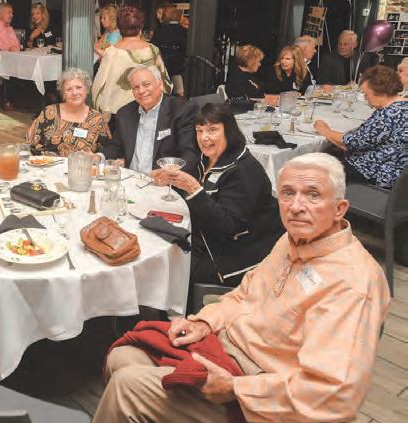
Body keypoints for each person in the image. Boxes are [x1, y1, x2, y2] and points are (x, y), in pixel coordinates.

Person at [94, 152, 391, 423]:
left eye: (313, 195)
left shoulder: (351, 282)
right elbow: (244, 294)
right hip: (227, 350)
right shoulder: (291, 240)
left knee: (127, 387)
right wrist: (204, 322)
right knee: (124, 357)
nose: (296, 207)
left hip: (263, 393)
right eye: (288, 193)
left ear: (339, 209)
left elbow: (335, 396)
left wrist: (237, 388)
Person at [151, 103, 283, 286]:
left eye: (212, 130)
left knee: (169, 266)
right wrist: (171, 181)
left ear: (229, 130)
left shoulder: (243, 169)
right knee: (157, 240)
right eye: (199, 130)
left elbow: (227, 226)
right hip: (206, 237)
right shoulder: (204, 160)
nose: (204, 137)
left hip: (238, 252)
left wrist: (193, 188)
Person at [314, 65, 407, 189]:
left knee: (313, 164)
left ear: (379, 91)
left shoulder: (389, 114)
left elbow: (349, 143)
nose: (365, 98)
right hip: (394, 171)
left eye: (366, 93)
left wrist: (325, 130)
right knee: (329, 152)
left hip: (374, 173)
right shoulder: (402, 106)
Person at [100, 65, 198, 174]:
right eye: (136, 87)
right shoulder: (125, 113)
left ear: (160, 84)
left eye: (146, 85)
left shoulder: (181, 110)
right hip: (131, 178)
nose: (141, 91)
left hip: (163, 180)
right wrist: (99, 156)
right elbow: (116, 146)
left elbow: (190, 154)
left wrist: (168, 174)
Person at [92, 6, 172, 117]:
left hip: (117, 110)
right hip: (147, 107)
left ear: (119, 26)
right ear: (141, 26)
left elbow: (99, 85)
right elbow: (165, 83)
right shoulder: (152, 50)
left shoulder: (111, 52)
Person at [26, 68, 111, 156]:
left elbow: (107, 150)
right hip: (46, 163)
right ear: (63, 93)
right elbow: (30, 143)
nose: (74, 93)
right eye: (69, 89)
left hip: (81, 164)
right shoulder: (49, 112)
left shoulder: (97, 118)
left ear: (87, 89)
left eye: (79, 87)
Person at [150, 6, 187, 96]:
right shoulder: (184, 32)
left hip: (162, 67)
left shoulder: (159, 31)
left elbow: (153, 49)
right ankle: (180, 97)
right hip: (178, 68)